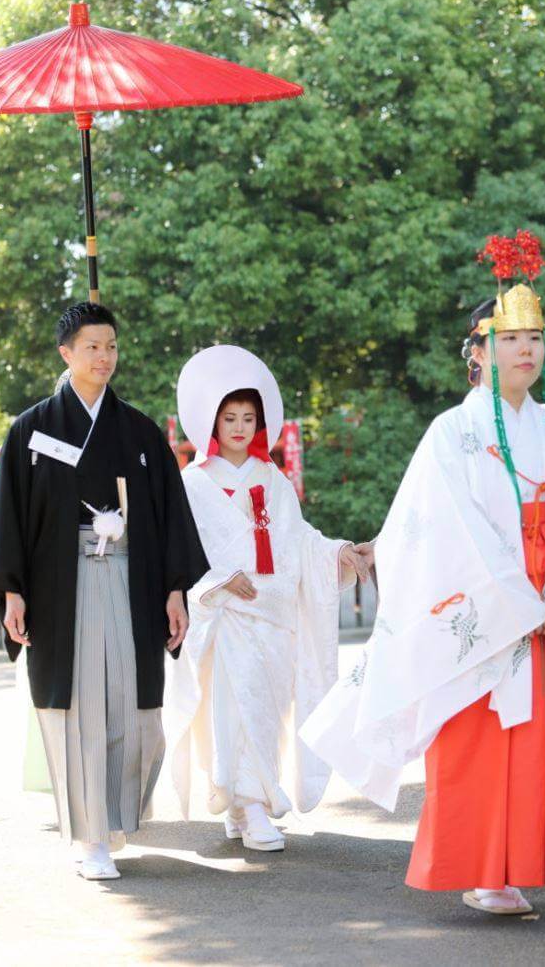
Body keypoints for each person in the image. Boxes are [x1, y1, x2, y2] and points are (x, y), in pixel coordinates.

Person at [301, 232, 545, 927]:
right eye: (510, 337)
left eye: (535, 337)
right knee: (484, 743)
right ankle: (492, 873)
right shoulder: (449, 434)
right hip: (491, 609)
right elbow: (444, 531)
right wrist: (520, 603)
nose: (527, 349)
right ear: (479, 351)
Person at [0, 301, 209, 880]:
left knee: (132, 702)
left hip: (131, 580)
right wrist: (12, 592)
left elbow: (167, 518)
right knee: (78, 706)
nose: (104, 358)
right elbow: (7, 518)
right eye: (91, 347)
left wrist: (175, 589)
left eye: (111, 346)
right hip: (63, 586)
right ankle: (89, 836)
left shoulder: (141, 431)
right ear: (66, 353)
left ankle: (117, 814)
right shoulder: (31, 430)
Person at [166, 345, 374, 851]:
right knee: (232, 710)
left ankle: (242, 800)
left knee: (266, 711)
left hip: (273, 615)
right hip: (225, 616)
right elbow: (182, 549)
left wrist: (341, 553)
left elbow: (299, 541)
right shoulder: (192, 484)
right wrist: (216, 581)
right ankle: (254, 805)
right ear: (212, 423)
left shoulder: (273, 480)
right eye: (229, 417)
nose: (239, 427)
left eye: (248, 418)